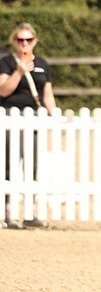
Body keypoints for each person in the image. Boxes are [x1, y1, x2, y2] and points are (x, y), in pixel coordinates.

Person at [0, 22, 55, 228]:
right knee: (9, 164)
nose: (24, 43)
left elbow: (47, 94)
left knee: (33, 165)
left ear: (35, 41)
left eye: (28, 40)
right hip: (10, 117)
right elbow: (3, 91)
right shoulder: (6, 62)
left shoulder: (43, 64)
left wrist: (52, 114)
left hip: (35, 118)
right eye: (20, 39)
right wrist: (19, 72)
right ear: (14, 41)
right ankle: (9, 213)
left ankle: (32, 213)